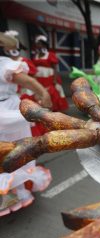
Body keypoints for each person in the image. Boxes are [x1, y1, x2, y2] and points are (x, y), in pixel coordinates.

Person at [0, 32, 52, 216]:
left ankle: (20, 192)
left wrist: (43, 94)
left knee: (16, 151)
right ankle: (10, 192)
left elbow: (28, 80)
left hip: (8, 110)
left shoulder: (4, 64)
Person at [32, 34, 68, 111]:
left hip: (49, 77)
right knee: (40, 92)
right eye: (37, 44)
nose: (38, 46)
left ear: (44, 44)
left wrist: (55, 79)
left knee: (52, 92)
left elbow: (55, 68)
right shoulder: (36, 55)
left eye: (40, 44)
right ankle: (43, 108)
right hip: (39, 78)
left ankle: (54, 108)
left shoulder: (50, 55)